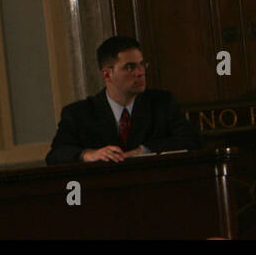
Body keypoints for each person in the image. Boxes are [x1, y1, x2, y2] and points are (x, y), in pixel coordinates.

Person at [46, 36, 201, 164]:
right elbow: (56, 155)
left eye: (141, 65)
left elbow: (190, 140)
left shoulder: (162, 103)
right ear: (107, 74)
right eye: (129, 67)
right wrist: (89, 154)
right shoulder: (79, 113)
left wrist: (143, 150)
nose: (140, 72)